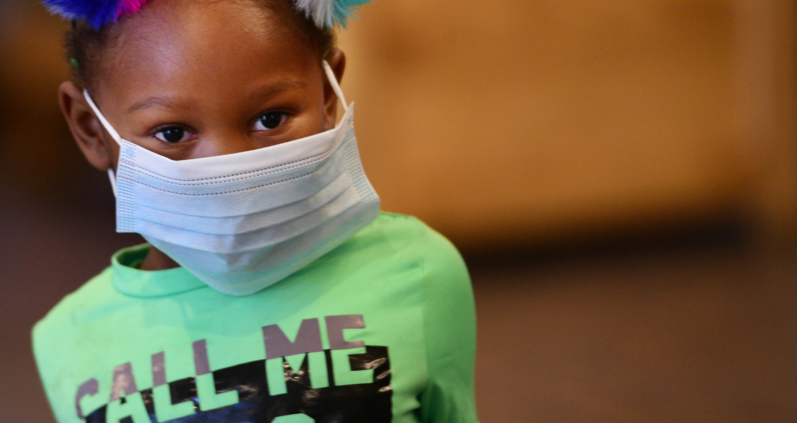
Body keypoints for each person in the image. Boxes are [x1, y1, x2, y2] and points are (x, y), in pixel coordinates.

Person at [31, 0, 478, 421]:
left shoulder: (418, 273)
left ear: (328, 93)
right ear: (91, 130)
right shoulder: (69, 339)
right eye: (171, 132)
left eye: (270, 118)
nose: (228, 168)